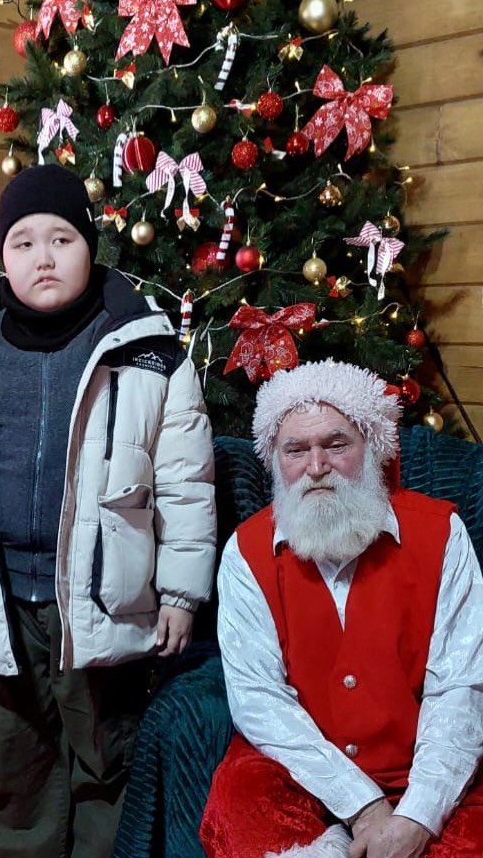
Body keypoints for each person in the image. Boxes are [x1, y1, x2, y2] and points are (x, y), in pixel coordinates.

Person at [0, 164, 217, 858]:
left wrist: (182, 592)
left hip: (101, 597)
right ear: (2, 257)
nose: (43, 257)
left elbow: (186, 484)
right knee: (14, 766)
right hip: (0, 598)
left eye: (62, 239)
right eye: (24, 242)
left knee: (105, 758)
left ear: (90, 247)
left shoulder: (149, 353)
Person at [199, 360, 483, 858]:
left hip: (419, 766)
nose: (316, 467)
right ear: (275, 460)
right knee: (238, 803)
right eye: (296, 450)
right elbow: (260, 699)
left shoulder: (442, 536)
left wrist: (417, 816)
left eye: (336, 445)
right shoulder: (245, 553)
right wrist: (364, 807)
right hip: (300, 771)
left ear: (371, 448)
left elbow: (461, 686)